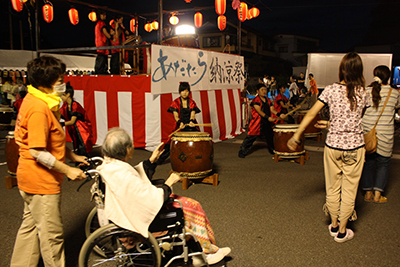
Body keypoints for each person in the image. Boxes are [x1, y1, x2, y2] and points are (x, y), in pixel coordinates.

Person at [97, 128, 231, 265]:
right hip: (146, 214)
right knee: (192, 205)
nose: (132, 147)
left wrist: (151, 161)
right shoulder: (122, 174)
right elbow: (149, 198)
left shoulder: (111, 166)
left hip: (130, 207)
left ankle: (204, 249)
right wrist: (169, 183)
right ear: (125, 150)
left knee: (188, 203)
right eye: (130, 145)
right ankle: (204, 252)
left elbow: (136, 180)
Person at [10, 56, 87, 266]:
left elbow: (52, 140)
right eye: (60, 78)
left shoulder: (39, 100)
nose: (63, 82)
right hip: (40, 182)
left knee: (30, 230)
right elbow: (37, 152)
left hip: (30, 180)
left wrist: (72, 156)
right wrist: (67, 170)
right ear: (47, 82)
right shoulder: (38, 108)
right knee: (52, 238)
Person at [287, 52, 370, 243]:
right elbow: (354, 120)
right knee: (350, 190)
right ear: (359, 70)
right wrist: (332, 123)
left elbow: (310, 114)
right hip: (356, 147)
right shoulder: (363, 92)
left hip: (333, 146)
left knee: (332, 188)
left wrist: (297, 134)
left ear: (341, 69)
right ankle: (342, 231)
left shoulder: (331, 90)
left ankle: (333, 226)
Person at [361, 65, 400, 203]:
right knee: (383, 164)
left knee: (368, 163)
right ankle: (378, 195)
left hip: (368, 132)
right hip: (386, 134)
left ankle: (367, 193)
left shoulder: (367, 91)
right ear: (388, 77)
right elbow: (396, 108)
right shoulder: (395, 93)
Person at [157, 82, 201, 164]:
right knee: (170, 142)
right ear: (179, 91)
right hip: (179, 126)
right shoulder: (176, 102)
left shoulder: (191, 102)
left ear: (189, 92)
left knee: (199, 140)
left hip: (190, 125)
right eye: (183, 91)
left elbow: (193, 114)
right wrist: (180, 122)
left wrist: (191, 121)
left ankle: (198, 158)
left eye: (187, 91)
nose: (185, 93)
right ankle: (159, 160)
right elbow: (176, 116)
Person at [239, 83, 283, 157]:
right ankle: (242, 151)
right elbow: (260, 112)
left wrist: (279, 114)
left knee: (270, 136)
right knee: (251, 137)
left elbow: (272, 109)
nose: (264, 91)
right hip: (258, 122)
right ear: (258, 91)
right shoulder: (255, 100)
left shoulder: (268, 100)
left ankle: (272, 149)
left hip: (267, 122)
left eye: (265, 89)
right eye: (262, 90)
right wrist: (268, 118)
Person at [60, 82, 94, 156]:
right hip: (74, 129)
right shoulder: (65, 106)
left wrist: (61, 124)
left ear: (68, 94)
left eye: (62, 95)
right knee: (77, 146)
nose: (61, 97)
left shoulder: (75, 105)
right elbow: (60, 114)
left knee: (82, 146)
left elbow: (72, 121)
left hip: (82, 129)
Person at [94, 10, 112, 74]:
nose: (105, 16)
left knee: (101, 58)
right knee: (102, 59)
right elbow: (105, 32)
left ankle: (100, 70)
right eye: (104, 15)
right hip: (102, 44)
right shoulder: (101, 23)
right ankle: (101, 71)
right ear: (100, 15)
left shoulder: (97, 24)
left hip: (99, 43)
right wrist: (110, 37)